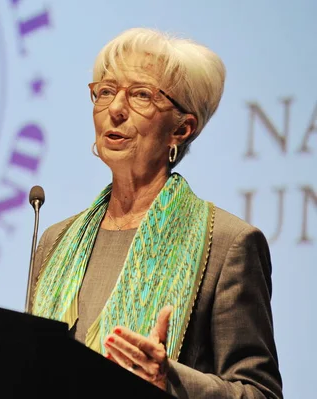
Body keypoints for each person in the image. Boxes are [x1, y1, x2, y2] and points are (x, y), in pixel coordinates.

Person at [28, 28, 283, 398]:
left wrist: (171, 380)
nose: (115, 109)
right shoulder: (56, 241)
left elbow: (260, 392)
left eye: (141, 95)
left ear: (181, 129)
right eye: (106, 91)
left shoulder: (229, 245)